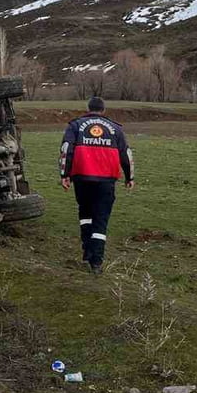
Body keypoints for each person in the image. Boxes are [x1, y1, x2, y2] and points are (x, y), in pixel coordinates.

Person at [59, 96, 135, 274]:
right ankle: (97, 262)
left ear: (88, 108)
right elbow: (126, 154)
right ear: (103, 110)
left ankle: (87, 253)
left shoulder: (75, 126)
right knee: (100, 220)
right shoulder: (116, 129)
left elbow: (66, 150)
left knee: (85, 214)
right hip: (106, 180)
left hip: (82, 178)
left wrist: (65, 174)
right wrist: (129, 177)